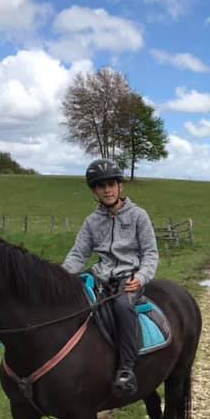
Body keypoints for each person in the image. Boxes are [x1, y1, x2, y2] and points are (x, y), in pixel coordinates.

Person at [63, 158, 159, 397]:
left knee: (122, 305)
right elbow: (78, 255)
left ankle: (127, 368)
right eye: (100, 186)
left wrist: (142, 276)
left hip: (129, 277)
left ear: (120, 187)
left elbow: (150, 253)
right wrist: (60, 276)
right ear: (94, 191)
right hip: (100, 277)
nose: (106, 189)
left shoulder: (138, 216)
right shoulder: (92, 222)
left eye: (111, 184)